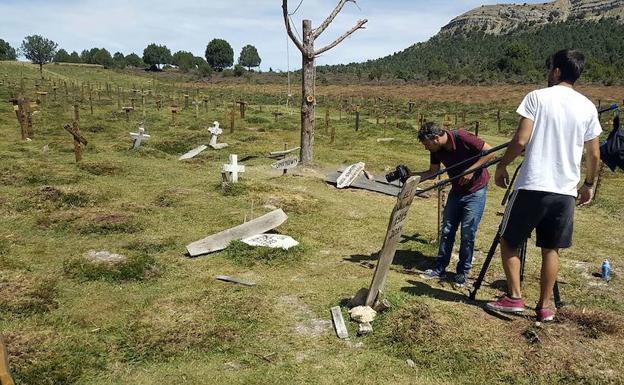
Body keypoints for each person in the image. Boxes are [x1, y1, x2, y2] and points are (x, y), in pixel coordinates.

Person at [486, 49, 602, 322]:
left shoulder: (537, 97)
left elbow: (521, 140)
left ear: (558, 71)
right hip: (564, 190)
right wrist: (588, 184)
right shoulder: (587, 106)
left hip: (533, 184)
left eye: (551, 68)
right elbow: (594, 154)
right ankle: (545, 307)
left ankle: (514, 297)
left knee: (509, 240)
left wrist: (503, 165)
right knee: (552, 248)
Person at [415, 122, 497, 287]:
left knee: (468, 233)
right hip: (456, 191)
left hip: (475, 191)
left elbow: (491, 152)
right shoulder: (436, 150)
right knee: (447, 230)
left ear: (436, 138)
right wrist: (411, 176)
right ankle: (439, 268)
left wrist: (471, 170)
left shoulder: (462, 137)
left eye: (426, 144)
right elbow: (432, 172)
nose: (426, 148)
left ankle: (462, 272)